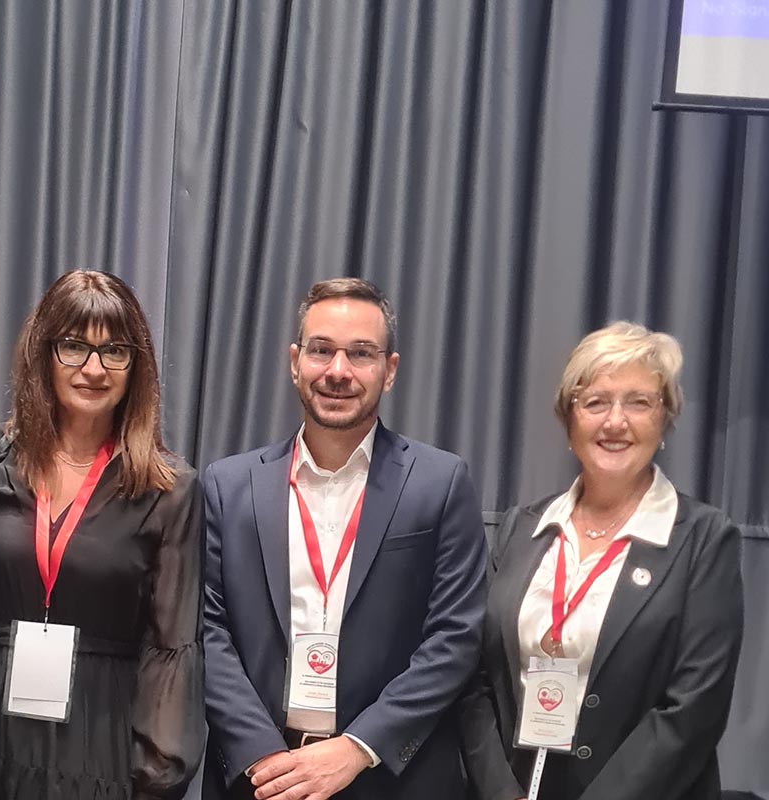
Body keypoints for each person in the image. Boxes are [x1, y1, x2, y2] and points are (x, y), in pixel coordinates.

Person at [201, 277, 487, 800]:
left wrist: (356, 748)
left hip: (390, 779)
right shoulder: (228, 485)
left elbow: (455, 637)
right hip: (261, 781)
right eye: (321, 350)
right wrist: (264, 757)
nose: (338, 371)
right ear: (294, 362)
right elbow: (208, 631)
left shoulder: (440, 482)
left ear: (389, 370)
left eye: (360, 353)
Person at [0, 270, 204, 799]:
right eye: (75, 346)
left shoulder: (169, 490)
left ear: (136, 365)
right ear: (43, 353)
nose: (94, 369)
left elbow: (172, 648)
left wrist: (153, 776)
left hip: (95, 749)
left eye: (115, 351)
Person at [457, 321, 743, 800]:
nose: (615, 421)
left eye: (639, 402)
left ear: (665, 418)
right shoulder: (522, 528)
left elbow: (693, 711)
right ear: (569, 420)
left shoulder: (705, 540)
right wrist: (501, 792)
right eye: (595, 402)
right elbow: (477, 678)